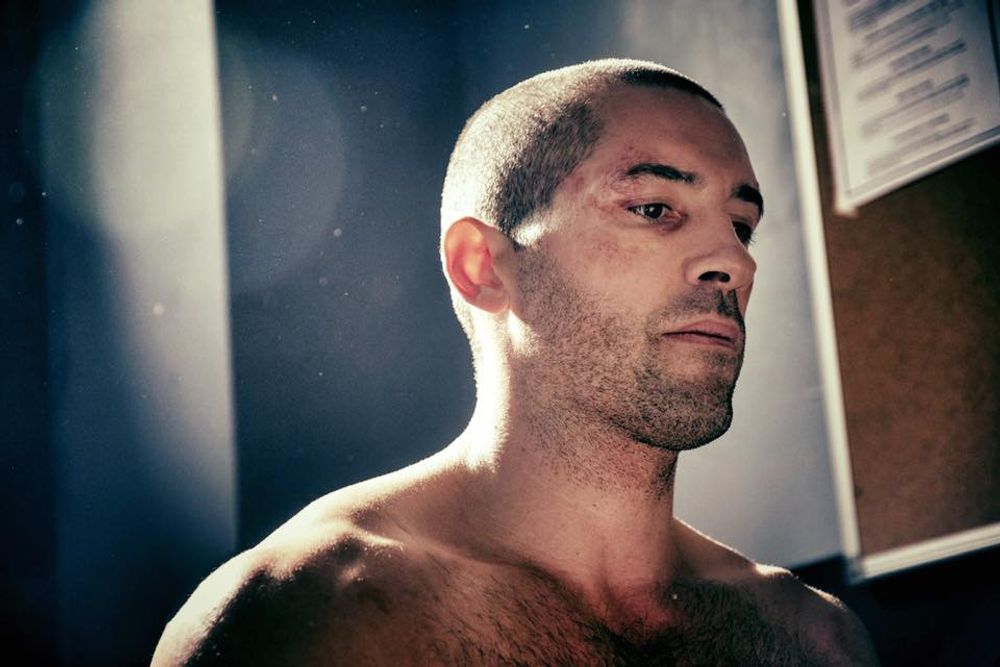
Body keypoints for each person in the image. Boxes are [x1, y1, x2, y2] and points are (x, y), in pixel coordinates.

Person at [152, 59, 878, 665]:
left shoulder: (814, 640)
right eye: (653, 208)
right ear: (483, 266)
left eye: (742, 225)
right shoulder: (311, 613)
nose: (735, 263)